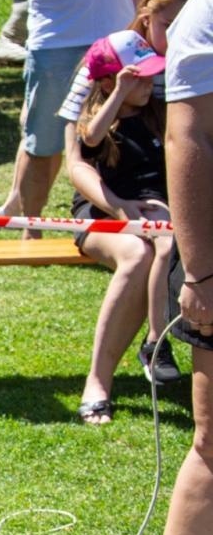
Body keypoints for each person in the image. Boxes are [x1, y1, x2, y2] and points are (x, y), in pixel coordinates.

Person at [66, 0, 213, 535]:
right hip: (117, 218)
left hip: (166, 226)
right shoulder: (111, 94)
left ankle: (153, 345)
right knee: (145, 249)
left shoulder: (163, 100)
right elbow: (82, 157)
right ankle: (121, 367)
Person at [0, 0, 150, 234]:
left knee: (120, 137)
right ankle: (32, 230)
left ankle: (121, 221)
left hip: (114, 41)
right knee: (43, 143)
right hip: (56, 42)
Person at [66, 30, 181, 425]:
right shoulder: (91, 113)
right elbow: (82, 155)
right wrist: (120, 209)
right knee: (137, 252)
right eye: (139, 78)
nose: (149, 84)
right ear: (107, 82)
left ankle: (155, 342)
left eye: (150, 77)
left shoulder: (159, 109)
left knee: (161, 244)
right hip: (102, 212)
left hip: (153, 206)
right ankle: (98, 382)